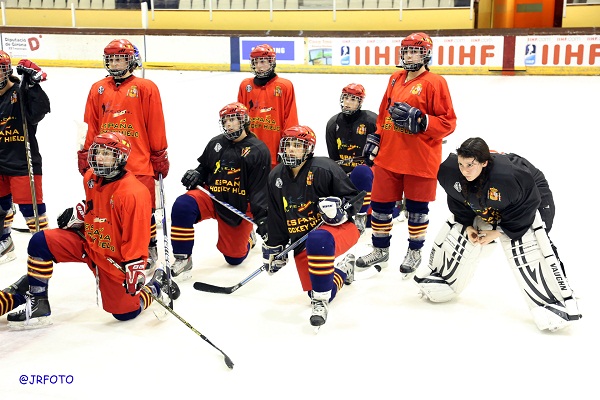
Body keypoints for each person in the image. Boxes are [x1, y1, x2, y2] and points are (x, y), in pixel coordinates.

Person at [0, 132, 178, 328]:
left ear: (120, 158)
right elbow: (96, 208)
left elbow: (136, 237)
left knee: (125, 313)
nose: (99, 157)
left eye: (106, 153)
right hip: (88, 243)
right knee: (40, 242)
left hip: (114, 258)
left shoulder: (134, 193)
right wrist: (79, 216)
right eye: (98, 152)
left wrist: (134, 267)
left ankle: (157, 285)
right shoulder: (90, 177)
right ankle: (38, 302)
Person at [414, 137, 581, 332]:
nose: (464, 170)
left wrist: (499, 232)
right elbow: (459, 201)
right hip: (494, 195)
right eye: (461, 164)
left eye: (470, 165)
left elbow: (526, 209)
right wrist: (467, 225)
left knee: (531, 242)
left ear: (484, 163)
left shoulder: (510, 177)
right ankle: (442, 279)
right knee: (460, 233)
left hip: (530, 194)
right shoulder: (450, 171)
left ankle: (558, 299)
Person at [358, 32, 457, 278]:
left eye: (416, 51)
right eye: (407, 51)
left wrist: (423, 120)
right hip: (389, 156)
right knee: (380, 205)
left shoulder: (435, 82)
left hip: (419, 158)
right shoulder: (395, 78)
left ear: (426, 55)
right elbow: (383, 114)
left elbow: (448, 123)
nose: (410, 55)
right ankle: (380, 249)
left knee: (416, 209)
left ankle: (414, 251)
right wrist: (377, 135)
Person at [78, 38, 169, 271]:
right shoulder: (98, 88)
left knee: (143, 211)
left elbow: (155, 124)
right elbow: (91, 123)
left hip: (138, 163)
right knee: (106, 209)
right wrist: (86, 152)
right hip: (105, 162)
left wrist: (159, 154)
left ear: (132, 60)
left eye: (120, 58)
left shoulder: (146, 88)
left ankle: (148, 247)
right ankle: (114, 248)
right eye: (111, 59)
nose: (115, 63)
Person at [262, 125, 365, 327]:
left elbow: (353, 199)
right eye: (288, 144)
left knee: (318, 243)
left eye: (297, 146)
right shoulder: (276, 176)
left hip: (339, 230)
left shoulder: (324, 168)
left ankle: (320, 302)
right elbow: (276, 215)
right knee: (317, 287)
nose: (291, 150)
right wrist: (276, 248)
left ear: (308, 149)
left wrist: (341, 211)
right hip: (302, 241)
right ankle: (344, 270)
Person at [170, 102, 271, 279]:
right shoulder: (216, 142)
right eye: (225, 121)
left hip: (238, 205)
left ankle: (248, 236)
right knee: (182, 205)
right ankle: (183, 257)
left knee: (234, 259)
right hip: (212, 196)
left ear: (244, 121)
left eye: (233, 119)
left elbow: (260, 190)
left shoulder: (258, 150)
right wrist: (196, 174)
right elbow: (205, 168)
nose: (228, 124)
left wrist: (263, 218)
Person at [325, 83, 404, 232]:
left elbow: (385, 151)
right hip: (346, 175)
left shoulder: (371, 121)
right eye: (346, 98)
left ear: (360, 102)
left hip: (369, 174)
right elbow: (334, 158)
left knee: (375, 215)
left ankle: (370, 212)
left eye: (353, 99)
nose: (348, 102)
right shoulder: (332, 124)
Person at [0, 51, 51, 265]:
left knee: (31, 209)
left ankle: (44, 246)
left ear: (7, 70)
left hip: (22, 161)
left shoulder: (20, 92)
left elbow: (39, 111)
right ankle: (5, 242)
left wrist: (33, 85)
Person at [237, 43, 299, 169]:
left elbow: (290, 120)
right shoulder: (245, 86)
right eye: (255, 62)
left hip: (274, 151)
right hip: (250, 151)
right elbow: (239, 120)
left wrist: (287, 148)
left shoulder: (284, 86)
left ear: (272, 62)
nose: (259, 66)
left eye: (263, 61)